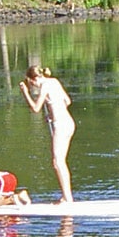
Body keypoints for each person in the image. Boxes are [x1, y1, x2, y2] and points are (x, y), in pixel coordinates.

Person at [19, 64, 76, 204]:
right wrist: (51, 113)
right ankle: (66, 197)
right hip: (69, 122)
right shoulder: (54, 81)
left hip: (61, 125)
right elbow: (67, 101)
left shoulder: (44, 86)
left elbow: (36, 108)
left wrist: (25, 92)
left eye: (31, 84)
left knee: (58, 162)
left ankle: (67, 198)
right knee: (60, 161)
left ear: (32, 80)